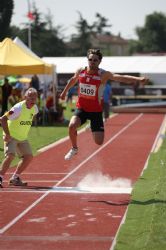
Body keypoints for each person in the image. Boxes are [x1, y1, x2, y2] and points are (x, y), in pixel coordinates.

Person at [60, 49, 148, 160]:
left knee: (99, 142)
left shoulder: (103, 74)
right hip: (82, 108)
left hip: (95, 111)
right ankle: (74, 148)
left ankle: (93, 124)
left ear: (99, 61)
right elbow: (73, 80)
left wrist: (138, 79)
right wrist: (64, 93)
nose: (92, 62)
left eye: (95, 60)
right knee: (72, 126)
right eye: (90, 59)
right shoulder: (81, 71)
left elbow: (120, 77)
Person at [0, 88, 38, 188]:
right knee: (10, 156)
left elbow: (30, 117)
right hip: (11, 135)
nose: (33, 100)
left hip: (22, 137)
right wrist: (7, 134)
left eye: (35, 98)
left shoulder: (35, 109)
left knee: (29, 156)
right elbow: (3, 119)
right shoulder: (18, 108)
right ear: (25, 97)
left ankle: (15, 178)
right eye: (30, 98)